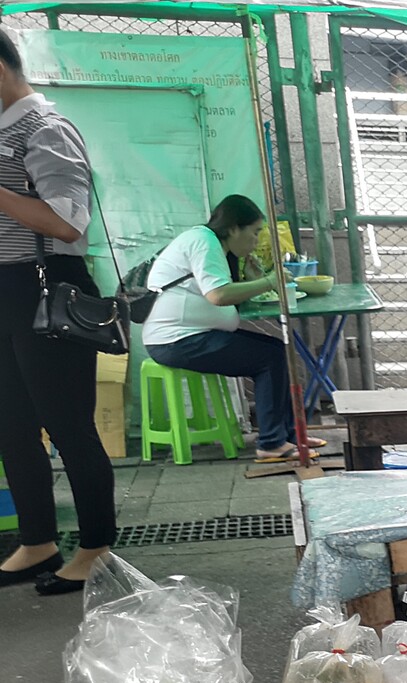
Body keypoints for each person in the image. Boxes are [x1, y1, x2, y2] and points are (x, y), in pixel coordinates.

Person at [0, 29, 118, 595]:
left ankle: (96, 547)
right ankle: (38, 541)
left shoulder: (46, 129)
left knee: (68, 424)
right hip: (7, 290)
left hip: (45, 287)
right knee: (11, 424)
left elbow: (68, 222)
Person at [142, 194, 322, 463]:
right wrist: (269, 281)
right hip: (176, 341)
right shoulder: (204, 241)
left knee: (276, 349)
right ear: (235, 228)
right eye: (255, 232)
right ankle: (271, 443)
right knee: (269, 359)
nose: (256, 240)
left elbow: (225, 294)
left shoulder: (213, 244)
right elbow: (218, 295)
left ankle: (289, 435)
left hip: (192, 334)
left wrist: (253, 278)